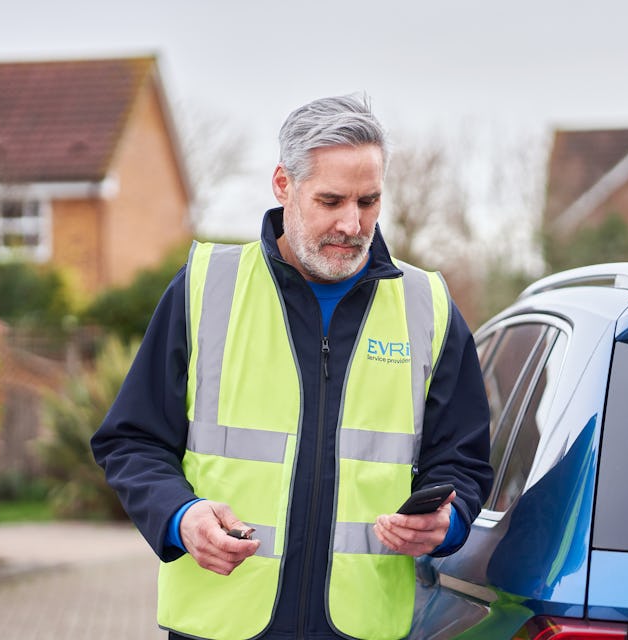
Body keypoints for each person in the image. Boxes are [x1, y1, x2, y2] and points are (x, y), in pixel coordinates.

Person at [91, 93, 492, 640]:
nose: (353, 224)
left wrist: (448, 522)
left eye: (369, 201)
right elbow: (130, 441)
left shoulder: (429, 305)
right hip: (221, 626)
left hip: (362, 628)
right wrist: (181, 517)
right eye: (331, 201)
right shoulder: (206, 287)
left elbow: (463, 463)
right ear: (284, 186)